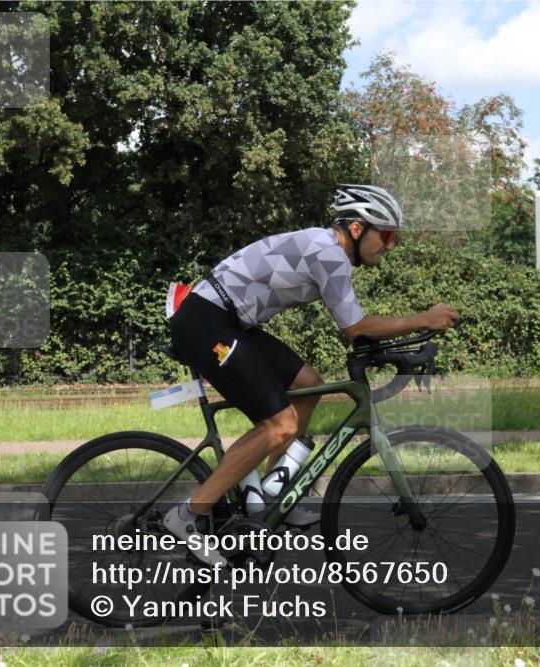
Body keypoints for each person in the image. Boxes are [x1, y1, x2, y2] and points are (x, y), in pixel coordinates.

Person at [163, 184, 460, 566]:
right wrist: (423, 318)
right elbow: (355, 328)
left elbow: (357, 328)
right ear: (356, 229)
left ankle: (270, 498)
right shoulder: (329, 253)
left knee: (308, 384)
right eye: (386, 235)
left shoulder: (326, 249)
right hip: (206, 321)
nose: (389, 246)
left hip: (230, 321)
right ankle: (188, 513)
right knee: (281, 425)